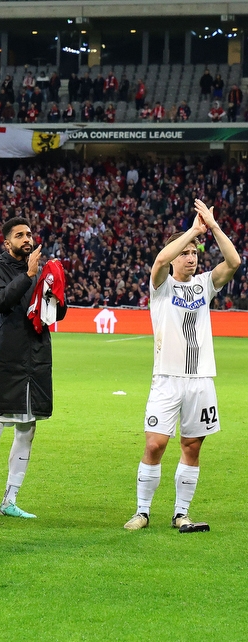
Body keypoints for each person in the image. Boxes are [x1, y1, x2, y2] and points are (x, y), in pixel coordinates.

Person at [124, 199, 241, 531]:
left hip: (201, 379)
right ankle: (142, 511)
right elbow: (160, 259)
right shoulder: (161, 287)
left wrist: (212, 227)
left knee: (191, 446)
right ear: (176, 256)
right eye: (186, 252)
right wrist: (192, 229)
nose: (191, 257)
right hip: (166, 377)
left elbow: (233, 261)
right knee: (154, 443)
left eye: (195, 253)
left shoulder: (205, 285)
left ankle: (181, 513)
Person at [0, 217, 66, 521]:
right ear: (6, 243)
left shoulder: (42, 274)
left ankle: (10, 499)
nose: (26, 238)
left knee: (27, 428)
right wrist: (30, 275)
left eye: (29, 233)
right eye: (19, 235)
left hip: (34, 359)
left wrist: (55, 290)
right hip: (2, 358)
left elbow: (56, 313)